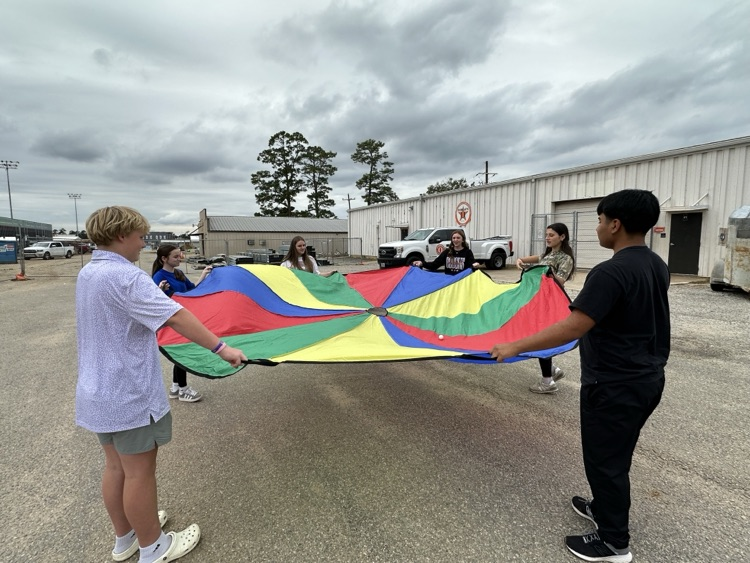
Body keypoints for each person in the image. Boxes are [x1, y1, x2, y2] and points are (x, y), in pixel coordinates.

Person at [490, 189, 669, 563]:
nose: (599, 227)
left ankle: (614, 543)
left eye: (601, 221)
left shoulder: (611, 271)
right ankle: (604, 509)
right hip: (646, 377)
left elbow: (573, 327)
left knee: (606, 461)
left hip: (615, 383)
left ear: (616, 224)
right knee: (615, 454)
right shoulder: (655, 264)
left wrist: (514, 346)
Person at [75, 206, 247, 563]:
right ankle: (154, 548)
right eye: (140, 237)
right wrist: (222, 348)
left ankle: (126, 538)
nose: (143, 245)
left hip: (97, 391)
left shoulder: (89, 272)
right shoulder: (127, 277)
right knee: (139, 474)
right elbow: (177, 316)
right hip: (128, 393)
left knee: (116, 468)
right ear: (121, 235)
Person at [515, 223, 576, 394]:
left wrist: (546, 272)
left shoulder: (565, 258)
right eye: (547, 235)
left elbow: (560, 281)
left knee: (542, 339)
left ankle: (547, 382)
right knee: (536, 336)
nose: (547, 238)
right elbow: (536, 259)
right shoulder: (548, 254)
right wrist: (521, 260)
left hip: (550, 304)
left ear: (562, 237)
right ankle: (553, 371)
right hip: (538, 301)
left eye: (551, 235)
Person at [152, 244, 212, 403]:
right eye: (175, 257)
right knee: (182, 352)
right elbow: (154, 300)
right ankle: (183, 389)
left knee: (180, 352)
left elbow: (191, 290)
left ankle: (175, 387)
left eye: (180, 256)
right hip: (172, 321)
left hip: (182, 318)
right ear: (164, 259)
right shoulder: (159, 276)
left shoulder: (178, 274)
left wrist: (204, 275)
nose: (180, 259)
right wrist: (159, 289)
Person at [412, 230, 478, 275]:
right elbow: (434, 265)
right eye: (454, 238)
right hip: (449, 281)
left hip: (462, 282)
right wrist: (422, 263)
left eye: (458, 238)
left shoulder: (467, 252)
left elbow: (472, 267)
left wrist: (475, 266)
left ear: (462, 240)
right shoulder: (447, 252)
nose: (455, 240)